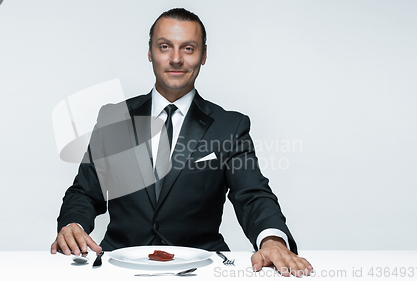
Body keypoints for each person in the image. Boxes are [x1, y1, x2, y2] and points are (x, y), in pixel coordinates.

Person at [51, 8, 313, 277]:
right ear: (150, 52)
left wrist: (272, 240)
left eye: (188, 48)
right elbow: (84, 192)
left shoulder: (229, 127)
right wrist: (74, 224)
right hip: (119, 266)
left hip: (201, 268)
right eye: (165, 47)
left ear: (204, 55)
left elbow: (252, 195)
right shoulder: (113, 118)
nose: (176, 59)